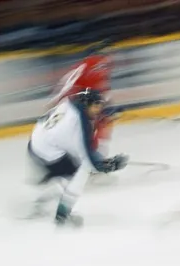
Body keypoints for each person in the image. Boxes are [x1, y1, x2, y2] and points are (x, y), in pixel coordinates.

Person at [27, 88, 129, 227]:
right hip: (48, 153)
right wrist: (109, 165)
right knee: (81, 172)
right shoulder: (79, 125)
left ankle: (44, 197)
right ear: (88, 104)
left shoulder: (68, 103)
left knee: (66, 173)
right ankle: (62, 215)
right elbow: (91, 161)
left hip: (35, 144)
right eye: (96, 105)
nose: (98, 109)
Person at [47, 40, 117, 158]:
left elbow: (103, 87)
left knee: (95, 125)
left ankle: (92, 155)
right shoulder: (91, 64)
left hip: (83, 102)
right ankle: (93, 156)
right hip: (78, 103)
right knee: (91, 127)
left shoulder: (94, 66)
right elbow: (69, 82)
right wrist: (57, 100)